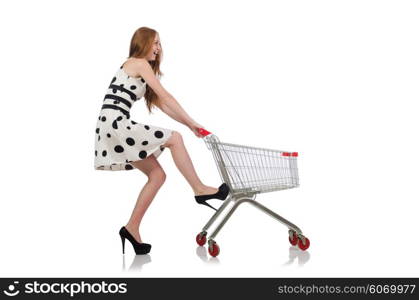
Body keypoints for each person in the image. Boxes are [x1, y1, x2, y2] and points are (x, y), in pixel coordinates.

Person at [94, 27, 230, 255]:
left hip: (110, 124)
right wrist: (192, 123)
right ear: (143, 42)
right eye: (155, 43)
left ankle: (131, 229)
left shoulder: (141, 72)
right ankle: (199, 189)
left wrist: (190, 125)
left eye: (159, 44)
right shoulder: (138, 63)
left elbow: (164, 105)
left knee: (157, 175)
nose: (158, 48)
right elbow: (167, 96)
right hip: (115, 122)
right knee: (175, 139)